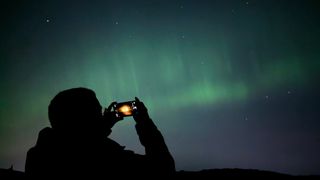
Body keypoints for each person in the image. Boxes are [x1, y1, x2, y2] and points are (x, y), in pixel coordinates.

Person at [25, 87, 175, 177]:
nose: (103, 114)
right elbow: (163, 168)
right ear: (82, 118)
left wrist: (101, 128)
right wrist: (144, 122)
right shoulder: (108, 157)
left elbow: (78, 146)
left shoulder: (39, 153)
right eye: (97, 111)